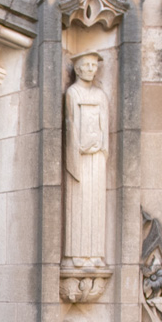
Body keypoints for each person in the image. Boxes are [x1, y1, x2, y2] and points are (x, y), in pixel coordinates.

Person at [63, 50, 109, 269]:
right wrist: (77, 151)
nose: (91, 69)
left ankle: (95, 254)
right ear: (78, 69)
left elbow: (105, 128)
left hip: (96, 158)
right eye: (87, 65)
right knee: (78, 205)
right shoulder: (73, 93)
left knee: (95, 205)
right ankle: (76, 253)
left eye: (94, 66)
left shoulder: (101, 96)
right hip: (79, 158)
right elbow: (71, 125)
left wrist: (100, 147)